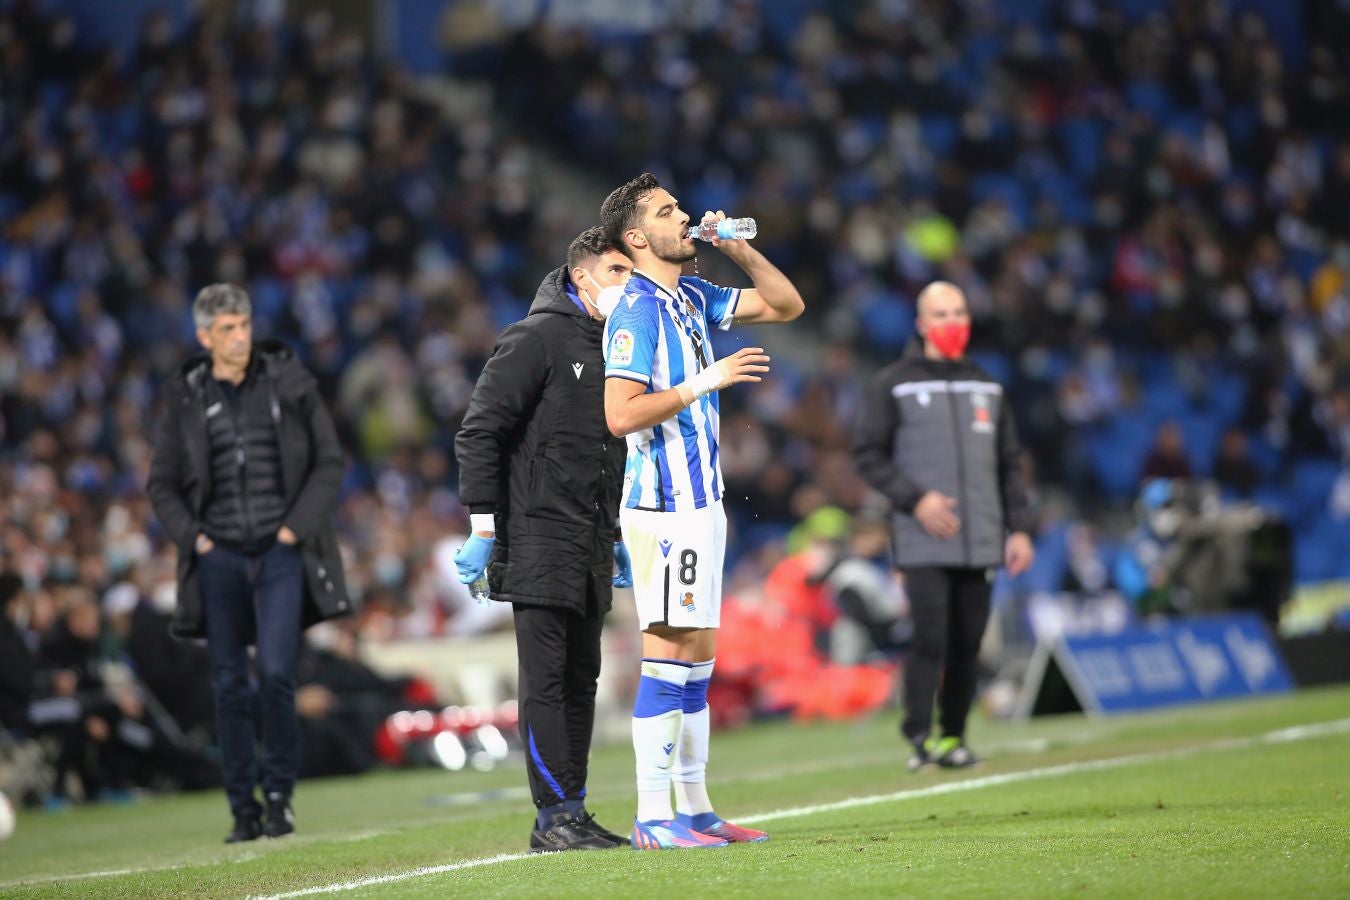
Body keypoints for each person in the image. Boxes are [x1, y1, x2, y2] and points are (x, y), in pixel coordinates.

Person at [599, 172, 803, 850]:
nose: (683, 217)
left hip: (702, 503)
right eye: (667, 212)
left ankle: (696, 810)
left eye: (681, 207)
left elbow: (785, 304)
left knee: (698, 663)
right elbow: (619, 413)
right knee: (668, 657)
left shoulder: (689, 295)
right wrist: (704, 381)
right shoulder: (634, 310)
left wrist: (735, 246)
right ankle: (653, 818)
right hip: (664, 508)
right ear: (636, 237)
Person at [453, 227, 635, 852]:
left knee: (583, 676)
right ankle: (554, 814)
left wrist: (616, 531)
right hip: (536, 535)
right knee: (548, 681)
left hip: (589, 538)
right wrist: (483, 526)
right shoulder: (535, 337)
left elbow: (606, 450)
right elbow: (481, 431)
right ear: (582, 277)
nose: (627, 284)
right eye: (617, 272)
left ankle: (570, 811)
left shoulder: (616, 342)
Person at [147, 283, 350, 843]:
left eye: (244, 324)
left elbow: (329, 460)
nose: (241, 337)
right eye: (228, 329)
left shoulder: (288, 380)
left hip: (279, 553)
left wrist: (293, 530)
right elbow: (161, 483)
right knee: (230, 684)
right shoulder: (186, 395)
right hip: (220, 558)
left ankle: (280, 796)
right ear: (204, 337)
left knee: (279, 675)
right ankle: (242, 807)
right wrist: (197, 540)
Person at [852, 281, 1034, 770]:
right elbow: (867, 455)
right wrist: (917, 500)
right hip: (923, 536)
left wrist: (1017, 528)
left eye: (959, 312)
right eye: (941, 313)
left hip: (981, 538)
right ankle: (918, 737)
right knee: (930, 637)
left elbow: (1008, 464)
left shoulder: (988, 386)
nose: (952, 322)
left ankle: (954, 737)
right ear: (921, 323)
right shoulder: (893, 383)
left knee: (969, 644)